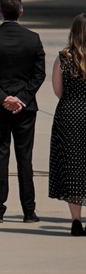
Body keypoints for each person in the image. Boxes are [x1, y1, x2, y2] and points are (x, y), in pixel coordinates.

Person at [0, 0, 46, 224]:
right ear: (21, 11)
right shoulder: (33, 38)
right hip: (25, 110)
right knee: (25, 158)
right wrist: (22, 99)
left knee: (1, 157)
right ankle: (29, 210)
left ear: (0, 12)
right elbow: (39, 74)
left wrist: (3, 98)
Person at [49, 13, 86, 236]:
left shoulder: (64, 57)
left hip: (70, 114)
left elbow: (58, 91)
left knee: (73, 168)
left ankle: (75, 220)